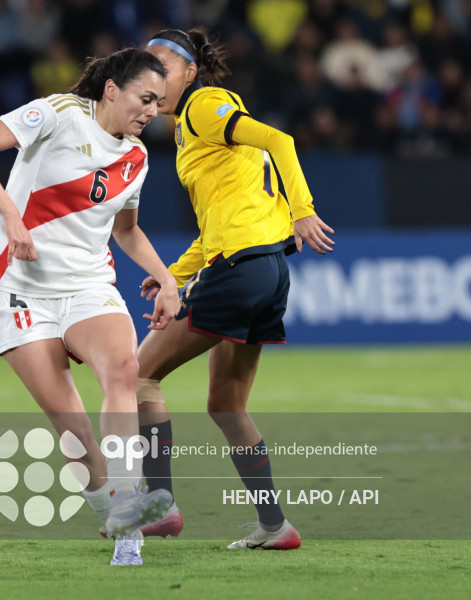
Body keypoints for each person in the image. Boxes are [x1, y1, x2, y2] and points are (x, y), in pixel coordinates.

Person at [0, 48, 180, 566]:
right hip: (19, 288)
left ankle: (128, 513)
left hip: (87, 285)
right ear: (110, 90)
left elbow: (126, 230)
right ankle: (112, 514)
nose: (150, 112)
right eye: (145, 99)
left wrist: (165, 278)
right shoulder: (57, 113)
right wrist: (11, 216)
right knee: (72, 428)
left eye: (159, 104)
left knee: (124, 370)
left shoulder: (137, 158)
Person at [134, 29, 335, 549]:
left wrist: (303, 209)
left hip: (242, 269)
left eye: (162, 64)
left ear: (190, 73)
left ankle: (160, 506)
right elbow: (217, 225)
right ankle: (276, 526)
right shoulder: (188, 132)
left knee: (139, 376)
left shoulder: (204, 106)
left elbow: (280, 139)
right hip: (265, 269)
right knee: (226, 406)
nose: (152, 73)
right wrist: (172, 275)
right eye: (145, 64)